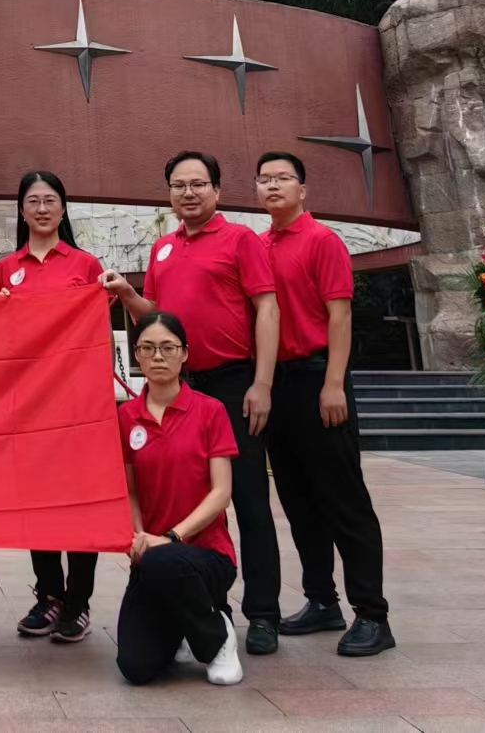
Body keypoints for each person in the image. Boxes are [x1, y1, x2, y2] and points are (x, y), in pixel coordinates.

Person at [104, 149, 282, 653]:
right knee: (182, 499)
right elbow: (156, 319)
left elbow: (267, 308)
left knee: (248, 498)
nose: (189, 193)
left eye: (198, 184)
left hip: (232, 384)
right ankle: (200, 603)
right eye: (179, 185)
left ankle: (263, 614)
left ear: (217, 191)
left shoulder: (241, 240)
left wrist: (261, 384)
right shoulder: (162, 249)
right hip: (178, 388)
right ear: (169, 194)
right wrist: (126, 294)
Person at [256, 151, 394, 657]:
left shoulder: (321, 240)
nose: (273, 186)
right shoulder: (260, 245)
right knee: (298, 501)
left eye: (283, 178)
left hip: (318, 378)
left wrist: (334, 382)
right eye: (264, 179)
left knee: (344, 499)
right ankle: (321, 600)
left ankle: (372, 614)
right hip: (277, 385)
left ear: (303, 189)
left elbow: (340, 316)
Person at [0, 169, 102, 645]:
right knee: (37, 505)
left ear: (63, 208)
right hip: (28, 407)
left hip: (76, 405)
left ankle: (78, 602)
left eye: (50, 200)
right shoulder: (5, 269)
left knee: (79, 504)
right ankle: (49, 596)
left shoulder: (86, 264)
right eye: (33, 201)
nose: (41, 208)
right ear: (21, 210)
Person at [115, 311, 243, 688]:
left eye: (167, 348)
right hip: (153, 560)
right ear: (136, 355)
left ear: (184, 354)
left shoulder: (209, 410)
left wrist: (171, 538)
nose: (158, 356)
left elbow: (221, 493)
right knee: (136, 668)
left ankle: (217, 637)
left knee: (166, 559)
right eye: (147, 348)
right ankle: (185, 624)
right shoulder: (126, 416)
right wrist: (138, 537)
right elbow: (130, 491)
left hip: (206, 556)